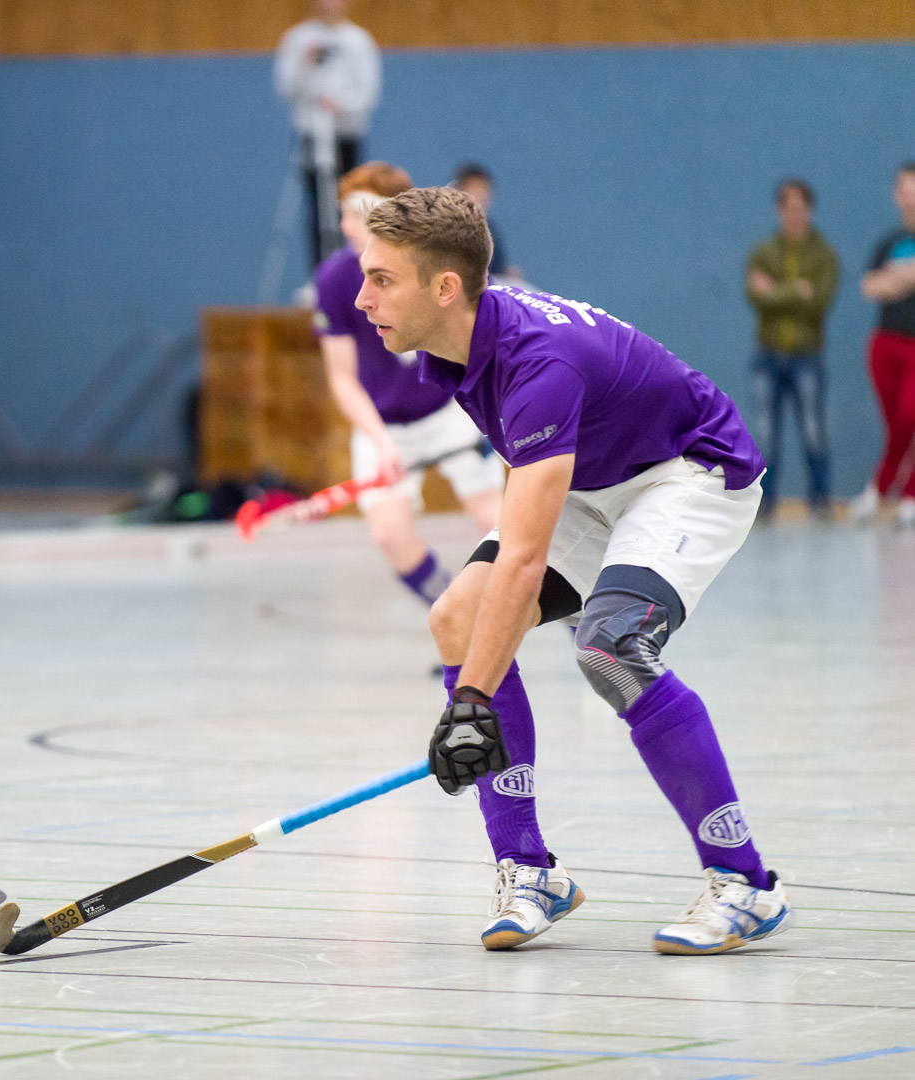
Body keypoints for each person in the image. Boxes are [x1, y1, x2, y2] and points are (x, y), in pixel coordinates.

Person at [354, 186, 792, 956]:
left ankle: (746, 881)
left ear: (445, 287)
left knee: (610, 647)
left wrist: (470, 701)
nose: (363, 299)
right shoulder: (455, 342)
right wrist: (472, 692)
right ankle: (529, 872)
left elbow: (524, 560)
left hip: (687, 472)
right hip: (595, 479)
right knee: (458, 617)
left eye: (382, 279)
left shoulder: (538, 367)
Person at [314, 161, 502, 613]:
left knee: (497, 521)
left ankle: (578, 625)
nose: (346, 225)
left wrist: (489, 412)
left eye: (358, 214)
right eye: (344, 213)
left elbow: (483, 343)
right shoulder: (336, 280)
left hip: (451, 410)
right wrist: (381, 442)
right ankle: (457, 617)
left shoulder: (437, 267)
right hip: (384, 426)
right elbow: (341, 378)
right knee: (390, 536)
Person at [744, 178, 838, 518]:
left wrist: (776, 290)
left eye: (801, 208)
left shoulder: (823, 255)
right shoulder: (763, 252)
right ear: (779, 211)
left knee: (813, 431)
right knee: (765, 434)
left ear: (809, 211)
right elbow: (756, 297)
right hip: (767, 355)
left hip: (807, 356)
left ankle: (821, 499)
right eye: (789, 208)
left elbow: (819, 302)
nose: (795, 215)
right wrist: (796, 289)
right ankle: (764, 502)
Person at [274, 0, 381, 270]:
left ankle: (352, 269)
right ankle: (320, 274)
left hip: (346, 134)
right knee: (317, 206)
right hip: (311, 132)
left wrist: (342, 104)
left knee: (349, 202)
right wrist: (306, 62)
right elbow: (285, 87)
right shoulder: (298, 38)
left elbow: (368, 90)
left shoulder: (359, 40)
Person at [855, 162, 915, 526]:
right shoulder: (890, 242)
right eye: (904, 187)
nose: (910, 194)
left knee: (911, 416)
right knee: (895, 424)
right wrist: (904, 278)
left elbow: (891, 282)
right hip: (886, 343)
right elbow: (870, 286)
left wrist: (898, 278)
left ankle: (890, 489)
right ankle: (890, 492)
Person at [454, 164, 523, 283]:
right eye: (473, 188)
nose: (480, 195)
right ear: (458, 191)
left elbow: (496, 266)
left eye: (484, 190)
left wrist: (504, 274)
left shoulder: (490, 229)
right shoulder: (449, 227)